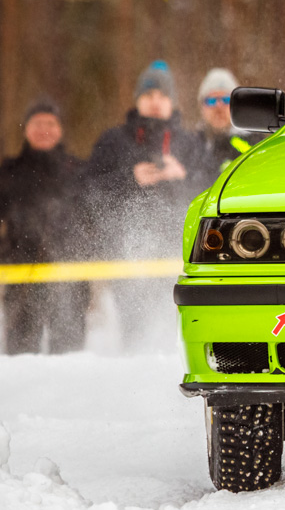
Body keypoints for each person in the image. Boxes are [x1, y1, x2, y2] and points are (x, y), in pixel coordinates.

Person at [87, 60, 205, 347]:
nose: (155, 101)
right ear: (137, 99)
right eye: (149, 94)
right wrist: (130, 178)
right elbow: (88, 190)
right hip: (126, 260)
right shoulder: (113, 141)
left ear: (172, 102)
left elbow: (211, 190)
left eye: (163, 95)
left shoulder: (191, 143)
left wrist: (181, 178)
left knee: (177, 337)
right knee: (135, 338)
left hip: (179, 258)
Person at [0, 98, 91, 354]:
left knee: (70, 364)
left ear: (60, 129)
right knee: (22, 364)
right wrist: (10, 256)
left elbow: (96, 222)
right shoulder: (7, 174)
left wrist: (81, 252)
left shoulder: (80, 172)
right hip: (22, 284)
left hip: (70, 282)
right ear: (25, 129)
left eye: (50, 123)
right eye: (37, 123)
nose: (44, 129)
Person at [193, 67, 255, 186]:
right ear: (201, 108)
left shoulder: (254, 145)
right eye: (211, 100)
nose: (219, 106)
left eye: (226, 99)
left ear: (237, 106)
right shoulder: (190, 145)